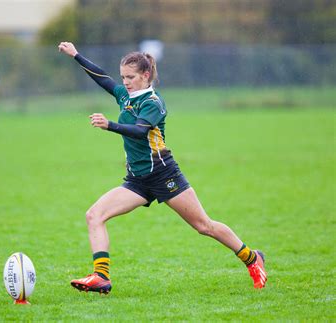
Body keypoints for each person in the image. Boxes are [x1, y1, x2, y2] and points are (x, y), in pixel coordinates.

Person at [58, 41, 267, 294]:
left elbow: (139, 131)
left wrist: (109, 125)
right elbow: (103, 78)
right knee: (94, 215)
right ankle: (101, 277)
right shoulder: (125, 95)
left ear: (145, 75)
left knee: (203, 226)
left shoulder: (153, 102)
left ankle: (252, 258)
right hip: (137, 180)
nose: (125, 82)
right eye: (123, 76)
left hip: (163, 174)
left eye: (130, 77)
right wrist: (76, 55)